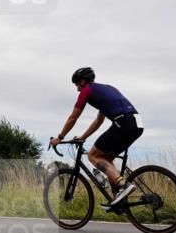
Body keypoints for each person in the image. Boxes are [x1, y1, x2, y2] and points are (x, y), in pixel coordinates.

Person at [49, 67, 143, 209]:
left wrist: (60, 137)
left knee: (93, 155)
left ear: (82, 82)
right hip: (137, 124)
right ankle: (117, 197)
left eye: (76, 85)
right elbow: (99, 120)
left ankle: (122, 184)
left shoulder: (87, 90)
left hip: (123, 123)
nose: (77, 90)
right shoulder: (107, 89)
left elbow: (73, 117)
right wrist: (83, 137)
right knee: (106, 159)